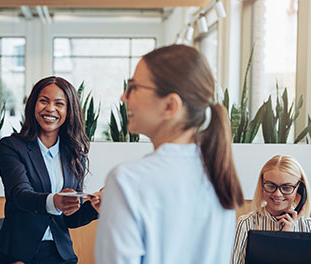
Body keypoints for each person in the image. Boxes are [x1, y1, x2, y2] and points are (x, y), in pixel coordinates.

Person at [95, 44, 244, 264]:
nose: (123, 97)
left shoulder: (128, 181)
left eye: (133, 87)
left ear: (170, 106)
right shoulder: (219, 177)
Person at [0, 76, 101, 264]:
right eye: (44, 101)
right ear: (33, 104)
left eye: (59, 103)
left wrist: (94, 208)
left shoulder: (75, 155)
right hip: (17, 255)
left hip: (60, 255)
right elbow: (20, 195)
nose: (50, 109)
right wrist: (55, 201)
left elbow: (70, 220)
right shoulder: (11, 146)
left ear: (68, 111)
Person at [231, 155, 311, 264]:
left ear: (300, 189)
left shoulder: (308, 226)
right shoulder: (246, 223)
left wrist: (288, 238)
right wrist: (283, 239)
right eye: (270, 185)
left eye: (287, 187)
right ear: (262, 184)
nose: (277, 194)